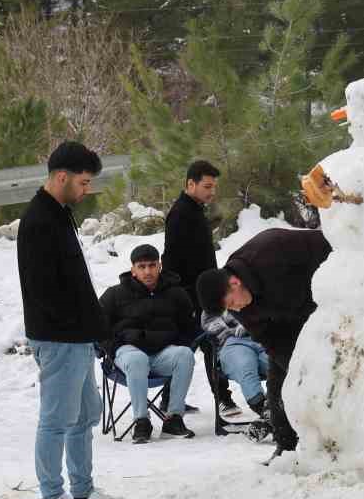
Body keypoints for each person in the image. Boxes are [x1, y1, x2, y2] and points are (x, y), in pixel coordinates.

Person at [18, 141, 124, 499]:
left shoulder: (60, 214)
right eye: (82, 182)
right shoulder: (38, 222)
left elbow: (76, 282)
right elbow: (46, 291)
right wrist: (79, 327)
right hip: (58, 337)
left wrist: (95, 325)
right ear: (61, 177)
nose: (86, 190)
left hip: (78, 335)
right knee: (57, 417)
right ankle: (51, 496)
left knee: (84, 414)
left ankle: (82, 488)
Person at [195, 227, 331, 455]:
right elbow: (270, 340)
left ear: (235, 283)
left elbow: (326, 256)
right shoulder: (241, 306)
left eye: (231, 303)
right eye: (229, 309)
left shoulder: (271, 253)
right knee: (278, 381)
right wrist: (295, 367)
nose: (235, 310)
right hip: (291, 320)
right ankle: (285, 447)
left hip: (324, 292)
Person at [98, 244, 199, 443]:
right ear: (133, 269)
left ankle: (173, 419)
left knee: (184, 355)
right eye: (141, 266)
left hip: (163, 353)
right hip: (128, 353)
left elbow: (190, 327)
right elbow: (98, 326)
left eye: (152, 265)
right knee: (137, 359)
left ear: (159, 266)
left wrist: (177, 343)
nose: (147, 271)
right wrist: (112, 349)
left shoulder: (176, 294)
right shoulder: (115, 294)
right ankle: (141, 421)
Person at [163, 159, 233, 411]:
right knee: (207, 344)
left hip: (203, 293)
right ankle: (222, 398)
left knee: (193, 345)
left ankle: (171, 398)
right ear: (190, 184)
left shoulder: (194, 210)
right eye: (207, 186)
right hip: (192, 297)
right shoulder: (181, 214)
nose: (212, 192)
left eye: (214, 187)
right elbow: (170, 260)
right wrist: (182, 299)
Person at [201, 304, 272, 420]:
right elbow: (211, 322)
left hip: (264, 339)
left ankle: (277, 408)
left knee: (282, 365)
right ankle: (265, 412)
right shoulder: (217, 296)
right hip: (232, 342)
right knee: (245, 366)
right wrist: (242, 327)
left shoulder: (261, 291)